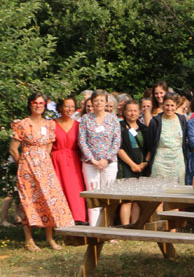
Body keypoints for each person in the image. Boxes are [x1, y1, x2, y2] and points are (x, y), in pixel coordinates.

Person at [9, 93, 73, 250]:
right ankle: (29, 240)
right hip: (27, 168)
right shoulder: (22, 124)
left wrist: (43, 160)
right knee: (28, 201)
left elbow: (49, 146)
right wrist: (23, 163)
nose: (38, 105)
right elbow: (13, 149)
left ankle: (50, 238)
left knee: (48, 199)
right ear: (30, 105)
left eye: (41, 103)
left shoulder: (49, 125)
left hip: (45, 168)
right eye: (35, 102)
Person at [78, 90, 122, 225]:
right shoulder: (85, 119)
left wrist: (106, 159)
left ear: (106, 102)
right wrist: (92, 159)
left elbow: (117, 140)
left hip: (109, 163)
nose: (98, 103)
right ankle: (94, 230)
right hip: (90, 164)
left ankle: (107, 229)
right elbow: (82, 141)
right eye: (96, 100)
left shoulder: (113, 118)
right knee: (93, 196)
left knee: (107, 196)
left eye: (101, 100)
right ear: (91, 102)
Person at [51, 96, 87, 224]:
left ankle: (78, 218)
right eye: (67, 106)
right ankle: (60, 219)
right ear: (60, 107)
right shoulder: (52, 124)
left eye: (72, 106)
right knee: (59, 189)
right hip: (57, 161)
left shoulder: (79, 125)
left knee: (75, 189)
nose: (69, 109)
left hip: (74, 162)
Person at [116, 100, 149, 223]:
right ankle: (125, 227)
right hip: (126, 165)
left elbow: (150, 148)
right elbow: (118, 148)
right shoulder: (120, 127)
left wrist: (145, 163)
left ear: (139, 112)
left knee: (137, 199)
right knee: (127, 199)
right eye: (129, 110)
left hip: (142, 165)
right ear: (124, 112)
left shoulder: (144, 128)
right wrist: (132, 165)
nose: (132, 113)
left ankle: (134, 226)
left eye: (135, 110)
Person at [147, 94, 187, 185]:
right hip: (160, 163)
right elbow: (149, 142)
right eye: (167, 105)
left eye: (172, 105)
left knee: (177, 192)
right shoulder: (155, 121)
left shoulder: (182, 119)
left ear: (176, 106)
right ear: (163, 105)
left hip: (178, 162)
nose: (169, 108)